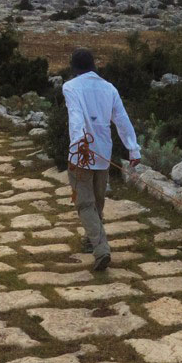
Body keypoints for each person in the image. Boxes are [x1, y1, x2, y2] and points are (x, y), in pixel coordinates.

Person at [62, 48, 141, 271]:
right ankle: (91, 240)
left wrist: (78, 141)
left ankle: (101, 249)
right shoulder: (109, 88)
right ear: (93, 65)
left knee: (85, 203)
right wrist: (133, 149)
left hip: (81, 153)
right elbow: (121, 119)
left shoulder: (70, 87)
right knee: (97, 201)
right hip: (103, 153)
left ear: (74, 68)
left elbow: (75, 114)